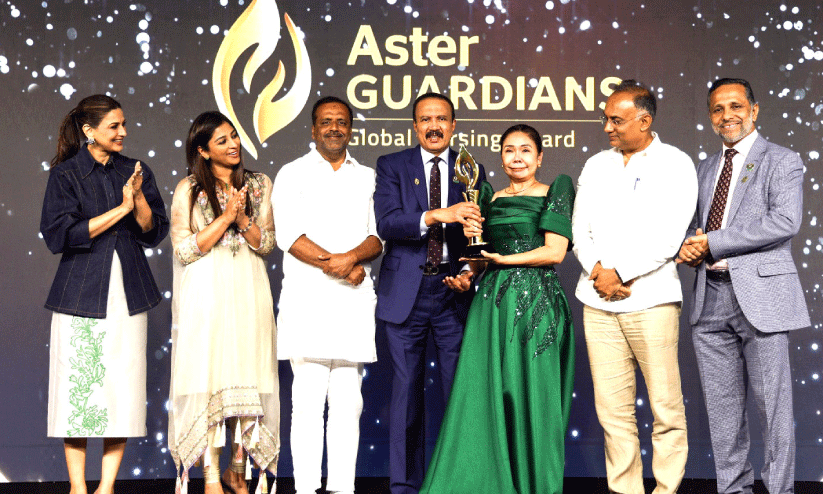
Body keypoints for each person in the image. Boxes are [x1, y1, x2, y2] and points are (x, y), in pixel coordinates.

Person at [420, 124, 576, 494]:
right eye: (509, 150)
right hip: (490, 307)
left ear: (539, 157)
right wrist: (467, 275)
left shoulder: (556, 190)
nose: (517, 157)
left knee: (533, 391)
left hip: (537, 303)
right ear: (501, 156)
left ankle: (535, 485)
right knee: (484, 392)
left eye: (525, 150)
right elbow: (480, 258)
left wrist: (502, 261)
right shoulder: (487, 197)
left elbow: (554, 252)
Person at [677, 78, 809, 494]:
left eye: (735, 106)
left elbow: (784, 221)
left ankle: (780, 489)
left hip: (761, 298)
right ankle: (733, 489)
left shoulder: (782, 160)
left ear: (754, 110)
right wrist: (690, 245)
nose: (727, 115)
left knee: (773, 408)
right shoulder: (704, 168)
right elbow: (696, 227)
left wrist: (712, 242)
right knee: (722, 412)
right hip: (709, 297)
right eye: (718, 109)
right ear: (711, 117)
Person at [571, 80, 696, 494]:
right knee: (613, 412)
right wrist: (600, 273)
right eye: (606, 118)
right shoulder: (595, 165)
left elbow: (670, 236)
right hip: (597, 303)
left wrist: (620, 273)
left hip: (652, 301)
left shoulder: (675, 163)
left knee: (665, 408)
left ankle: (666, 490)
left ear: (644, 121)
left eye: (617, 120)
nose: (608, 127)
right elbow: (579, 231)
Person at [40, 94, 169, 494]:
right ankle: (78, 487)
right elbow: (60, 234)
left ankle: (107, 486)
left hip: (129, 293)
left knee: (122, 388)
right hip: (80, 294)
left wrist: (138, 199)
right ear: (89, 131)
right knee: (77, 393)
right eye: (114, 126)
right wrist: (120, 209)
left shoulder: (135, 169)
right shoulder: (65, 174)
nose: (123, 132)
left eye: (123, 124)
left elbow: (153, 231)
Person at [374, 92, 485, 494]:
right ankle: (404, 485)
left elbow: (479, 238)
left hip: (454, 294)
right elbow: (387, 224)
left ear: (453, 126)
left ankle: (460, 481)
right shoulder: (392, 166)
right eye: (425, 119)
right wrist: (438, 215)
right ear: (415, 126)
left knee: (460, 391)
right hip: (407, 293)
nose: (434, 126)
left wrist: (470, 271)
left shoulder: (469, 169)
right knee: (406, 394)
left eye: (441, 119)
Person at [273, 96, 382, 494]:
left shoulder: (368, 177)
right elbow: (289, 236)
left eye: (341, 122)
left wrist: (351, 260)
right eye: (326, 121)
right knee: (306, 403)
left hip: (353, 302)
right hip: (309, 301)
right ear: (313, 129)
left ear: (350, 129)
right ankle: (305, 488)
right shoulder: (292, 173)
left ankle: (341, 488)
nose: (334, 128)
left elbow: (379, 236)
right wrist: (339, 265)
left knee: (349, 404)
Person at [168, 111, 279, 494]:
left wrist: (243, 218)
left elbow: (266, 244)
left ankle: (237, 467)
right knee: (210, 377)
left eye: (234, 136)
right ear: (203, 150)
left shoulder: (259, 184)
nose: (233, 144)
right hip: (206, 293)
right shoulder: (188, 189)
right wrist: (225, 217)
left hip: (249, 288)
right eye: (222, 140)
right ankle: (211, 475)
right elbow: (183, 250)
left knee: (247, 374)